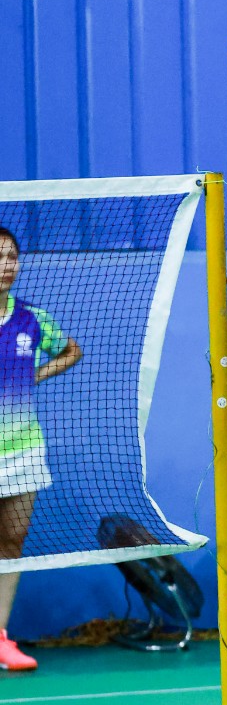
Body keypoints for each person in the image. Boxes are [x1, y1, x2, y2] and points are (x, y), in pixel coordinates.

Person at [0, 227, 83, 672]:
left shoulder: (32, 319)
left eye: (11, 257)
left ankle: (0, 637)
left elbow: (71, 351)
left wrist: (37, 374)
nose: (6, 266)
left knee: (12, 543)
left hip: (23, 451)